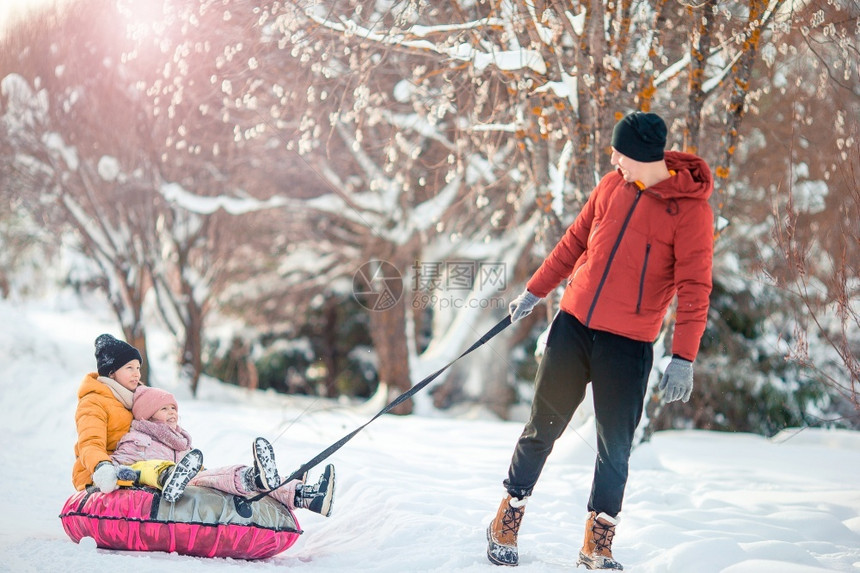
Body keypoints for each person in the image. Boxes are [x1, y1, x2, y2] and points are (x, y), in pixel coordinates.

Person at [487, 111, 713, 570]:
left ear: (645, 157)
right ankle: (507, 517)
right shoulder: (613, 186)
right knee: (541, 429)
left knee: (615, 447)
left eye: (620, 153)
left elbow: (695, 287)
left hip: (628, 346)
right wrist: (535, 291)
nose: (614, 160)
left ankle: (598, 540)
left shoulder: (690, 212)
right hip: (573, 327)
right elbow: (574, 242)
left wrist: (683, 357)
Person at [112, 385, 336, 515]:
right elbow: (120, 463)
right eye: (164, 408)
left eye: (174, 408)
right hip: (164, 488)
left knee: (225, 477)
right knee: (211, 477)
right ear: (147, 414)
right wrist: (119, 473)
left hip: (192, 482)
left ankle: (305, 495)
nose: (172, 412)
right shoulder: (137, 439)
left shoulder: (180, 443)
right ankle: (249, 476)